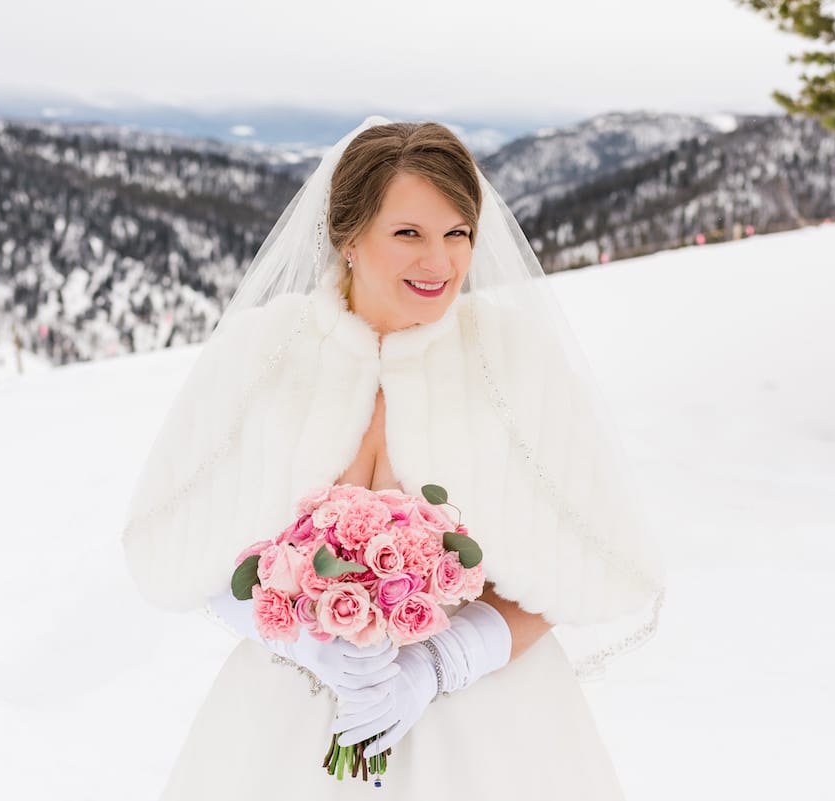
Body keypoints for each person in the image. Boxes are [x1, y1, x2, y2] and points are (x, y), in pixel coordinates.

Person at [121, 117, 666, 799]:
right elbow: (192, 551)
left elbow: (573, 562)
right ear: (348, 237)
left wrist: (438, 662)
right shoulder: (260, 356)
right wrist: (304, 643)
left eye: (457, 233)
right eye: (408, 233)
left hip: (491, 735)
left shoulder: (514, 361)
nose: (439, 262)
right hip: (287, 728)